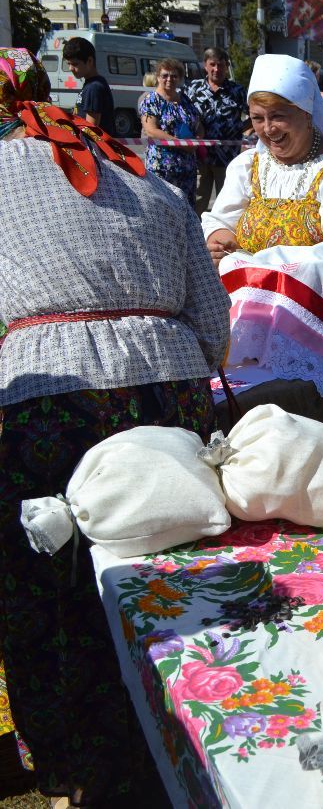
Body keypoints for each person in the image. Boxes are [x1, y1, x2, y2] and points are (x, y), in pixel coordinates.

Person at [0, 47, 229, 805]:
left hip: (53, 404)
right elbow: (215, 331)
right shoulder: (146, 179)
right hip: (170, 396)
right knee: (174, 565)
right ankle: (206, 716)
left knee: (51, 586)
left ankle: (74, 758)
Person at [203, 54, 323, 259]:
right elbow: (220, 220)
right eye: (257, 118)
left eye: (278, 116)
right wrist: (220, 240)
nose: (267, 129)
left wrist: (262, 263)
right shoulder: (247, 166)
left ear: (306, 115)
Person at [185, 47, 249, 213]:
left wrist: (240, 129)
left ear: (227, 67)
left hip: (227, 158)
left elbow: (255, 115)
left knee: (227, 202)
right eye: (212, 64)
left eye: (221, 65)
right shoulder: (192, 89)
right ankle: (195, 234)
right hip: (200, 156)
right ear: (205, 65)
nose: (216, 69)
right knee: (198, 199)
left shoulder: (238, 91)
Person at [138, 58, 204, 206]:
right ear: (158, 77)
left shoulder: (185, 100)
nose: (169, 79)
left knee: (187, 209)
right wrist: (181, 144)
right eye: (165, 75)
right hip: (162, 168)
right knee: (163, 209)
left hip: (187, 168)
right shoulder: (151, 100)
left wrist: (197, 141)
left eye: (174, 76)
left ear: (180, 78)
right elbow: (151, 131)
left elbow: (199, 125)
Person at [60, 36, 116, 136]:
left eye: (75, 64)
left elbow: (91, 129)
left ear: (90, 61)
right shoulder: (91, 84)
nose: (70, 68)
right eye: (68, 63)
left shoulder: (94, 87)